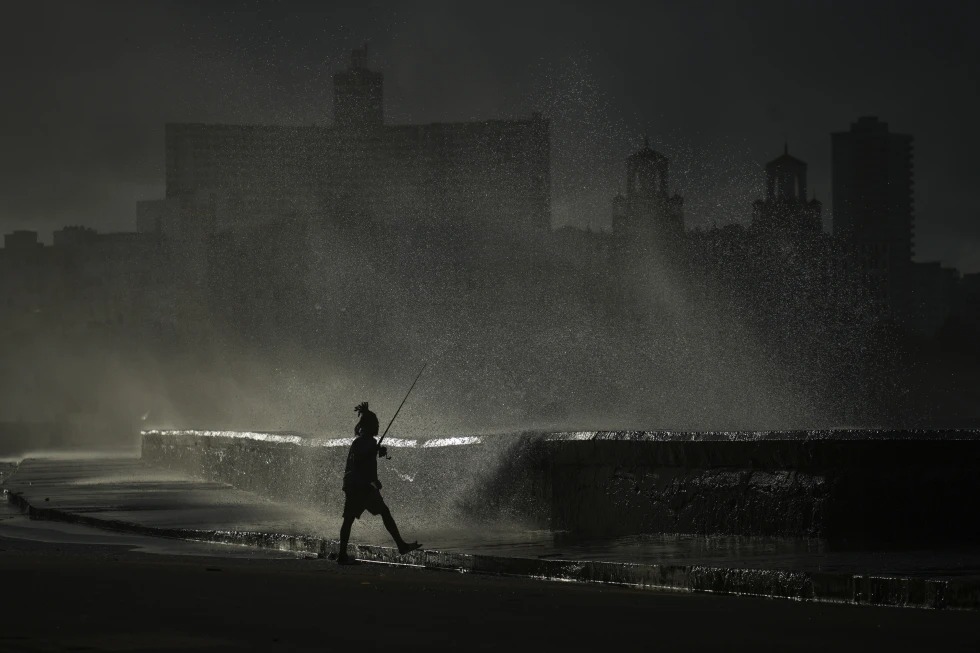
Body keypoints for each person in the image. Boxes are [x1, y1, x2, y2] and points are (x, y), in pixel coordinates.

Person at [337, 401, 421, 565]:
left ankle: (342, 555)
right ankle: (401, 546)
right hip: (359, 487)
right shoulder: (362, 442)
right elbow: (360, 461)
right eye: (375, 424)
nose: (378, 426)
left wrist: (377, 454)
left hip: (357, 485)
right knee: (377, 513)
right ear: (369, 425)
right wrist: (373, 453)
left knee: (353, 518)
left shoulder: (367, 441)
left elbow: (367, 462)